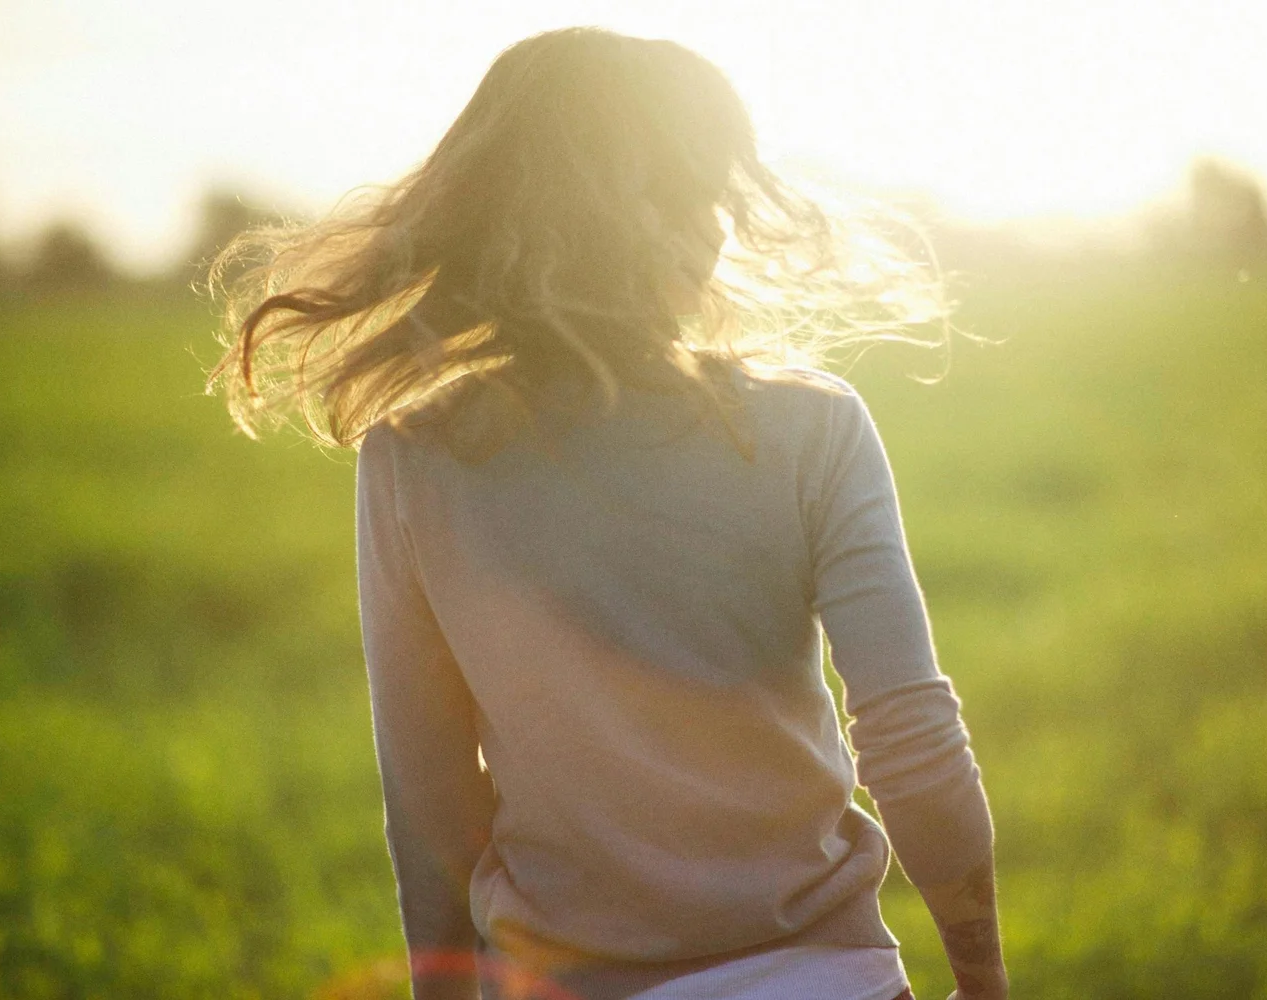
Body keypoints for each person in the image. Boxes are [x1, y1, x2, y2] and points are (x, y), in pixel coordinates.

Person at [206, 26, 1007, 1000]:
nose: (713, 227)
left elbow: (432, 810)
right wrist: (981, 977)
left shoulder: (416, 458)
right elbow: (913, 744)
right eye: (691, 192)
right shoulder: (810, 427)